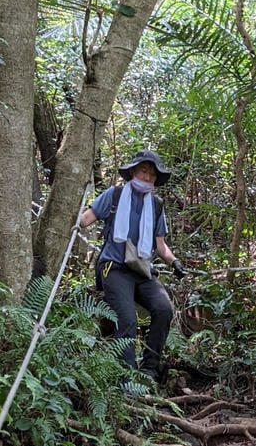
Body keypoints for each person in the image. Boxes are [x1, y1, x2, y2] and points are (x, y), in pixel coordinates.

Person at [80, 149, 186, 381]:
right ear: (133, 172)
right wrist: (75, 220)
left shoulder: (156, 205)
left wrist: (174, 261)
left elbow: (160, 244)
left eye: (152, 174)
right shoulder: (115, 195)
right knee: (127, 319)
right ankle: (127, 380)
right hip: (114, 267)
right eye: (143, 171)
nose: (147, 177)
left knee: (164, 309)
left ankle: (149, 369)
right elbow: (88, 217)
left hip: (142, 270)